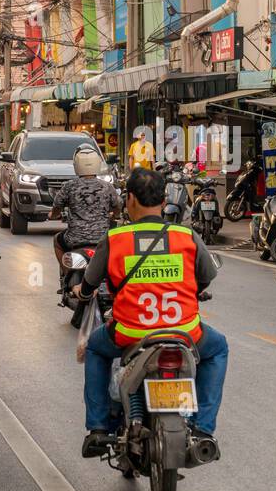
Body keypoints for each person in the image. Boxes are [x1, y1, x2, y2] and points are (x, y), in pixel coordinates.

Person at [73, 167, 228, 457]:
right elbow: (206, 275)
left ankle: (97, 428)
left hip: (130, 333)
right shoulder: (185, 235)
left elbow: (90, 281)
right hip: (184, 333)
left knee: (95, 347)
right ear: (163, 199)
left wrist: (82, 293)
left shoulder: (116, 238)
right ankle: (204, 428)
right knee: (218, 348)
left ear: (130, 198)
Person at [49, 146, 122, 275]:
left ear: (76, 164)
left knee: (56, 240)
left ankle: (66, 274)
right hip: (103, 238)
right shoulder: (107, 186)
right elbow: (117, 207)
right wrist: (114, 215)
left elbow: (56, 207)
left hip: (74, 239)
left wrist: (53, 215)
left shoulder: (69, 187)